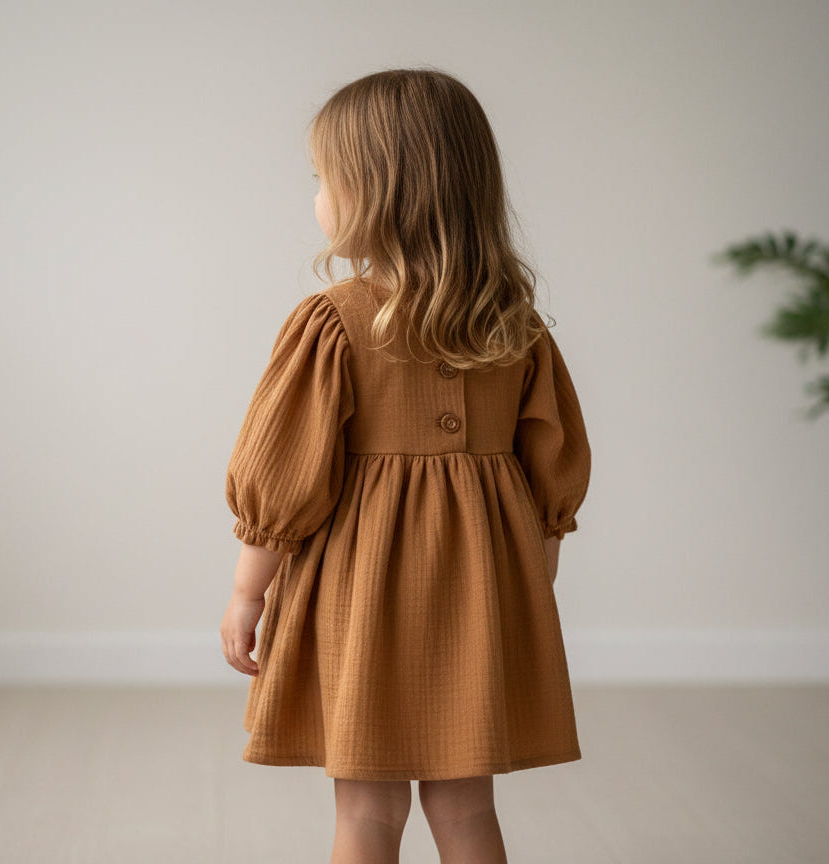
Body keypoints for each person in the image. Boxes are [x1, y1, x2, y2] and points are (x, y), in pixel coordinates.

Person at [220, 67, 592, 864]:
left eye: (323, 178)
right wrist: (521, 590)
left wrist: (248, 593)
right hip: (483, 590)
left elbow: (285, 476)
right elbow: (549, 479)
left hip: (358, 594)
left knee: (365, 813)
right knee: (465, 809)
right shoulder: (514, 326)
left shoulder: (332, 323)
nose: (315, 196)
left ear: (372, 191)